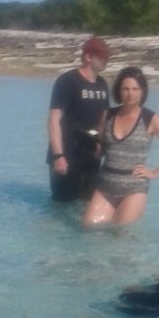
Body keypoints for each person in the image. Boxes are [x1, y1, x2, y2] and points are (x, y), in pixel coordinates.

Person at [82, 66, 159, 227]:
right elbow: (100, 151)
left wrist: (155, 173)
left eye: (135, 89)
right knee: (88, 227)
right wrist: (87, 143)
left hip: (134, 188)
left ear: (142, 91)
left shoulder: (151, 119)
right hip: (105, 185)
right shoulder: (108, 115)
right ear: (119, 91)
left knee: (121, 235)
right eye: (126, 89)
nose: (130, 93)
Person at [47, 36, 112, 202]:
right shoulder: (67, 81)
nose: (106, 60)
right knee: (62, 208)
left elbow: (103, 117)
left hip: (90, 158)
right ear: (88, 57)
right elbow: (54, 119)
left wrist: (100, 146)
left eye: (107, 57)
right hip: (67, 157)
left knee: (86, 206)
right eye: (102, 57)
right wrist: (58, 156)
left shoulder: (102, 84)